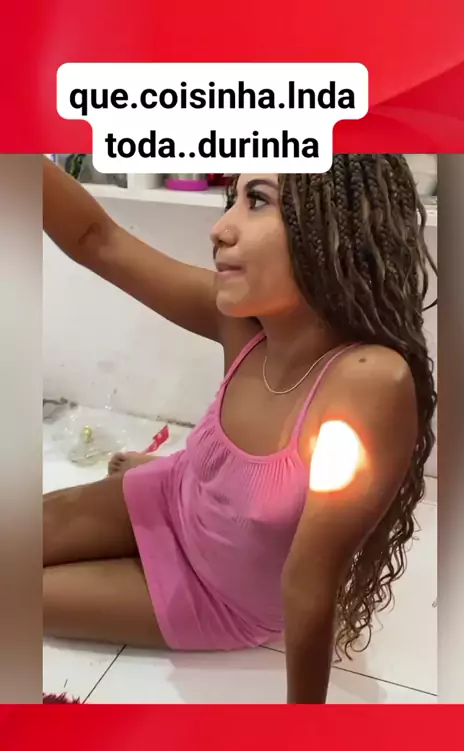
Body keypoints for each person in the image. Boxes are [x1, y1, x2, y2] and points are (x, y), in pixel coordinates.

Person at [43, 156, 437, 703]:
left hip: (216, 596)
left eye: (257, 201)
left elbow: (310, 580)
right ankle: (197, 477)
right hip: (175, 497)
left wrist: (304, 736)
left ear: (333, 227)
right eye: (233, 199)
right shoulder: (245, 326)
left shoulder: (367, 383)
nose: (220, 228)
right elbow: (97, 239)